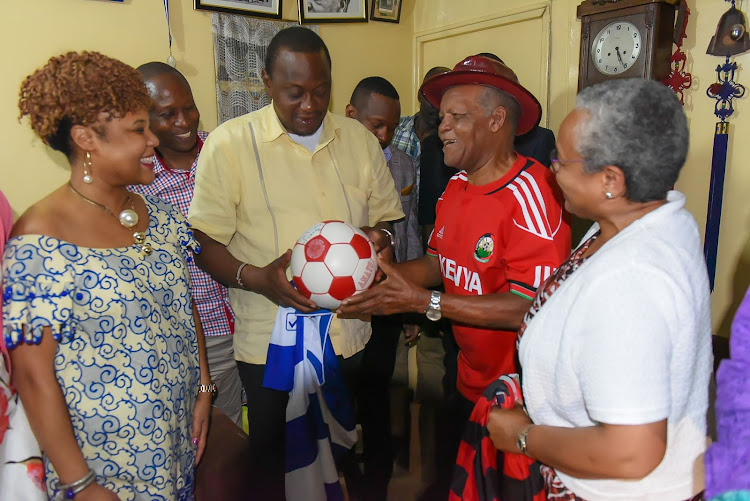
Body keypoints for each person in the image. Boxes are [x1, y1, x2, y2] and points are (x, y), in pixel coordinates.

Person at [339, 54, 571, 499]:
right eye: (442, 116)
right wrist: (373, 275)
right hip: (463, 379)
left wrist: (422, 303)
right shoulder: (455, 187)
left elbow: (529, 308)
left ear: (498, 119)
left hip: (519, 396)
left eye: (457, 117)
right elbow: (438, 264)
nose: (441, 127)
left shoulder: (534, 193)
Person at [187, 27, 404, 499]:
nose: (309, 104)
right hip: (270, 347)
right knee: (273, 465)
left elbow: (389, 221)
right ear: (266, 81)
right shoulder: (229, 145)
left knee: (341, 450)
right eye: (294, 92)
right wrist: (257, 278)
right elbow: (202, 242)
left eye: (320, 91)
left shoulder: (359, 141)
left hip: (350, 335)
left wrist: (377, 240)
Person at [486, 78, 711, 500]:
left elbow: (631, 453)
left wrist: (524, 436)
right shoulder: (647, 217)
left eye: (562, 160)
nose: (552, 167)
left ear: (611, 179)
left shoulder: (632, 280)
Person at [7, 51, 212, 499]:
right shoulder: (39, 239)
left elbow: (184, 302)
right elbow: (33, 375)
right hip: (105, 465)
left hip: (176, 443)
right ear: (86, 139)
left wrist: (203, 388)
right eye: (138, 130)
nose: (153, 141)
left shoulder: (160, 216)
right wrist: (82, 484)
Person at [130, 62, 243, 427]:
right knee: (223, 446)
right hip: (204, 338)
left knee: (276, 438)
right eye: (167, 114)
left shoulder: (226, 149)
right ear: (143, 120)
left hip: (261, 317)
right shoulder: (137, 182)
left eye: (189, 107)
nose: (184, 121)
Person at [345, 76, 421, 500]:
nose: (384, 135)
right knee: (341, 394)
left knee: (377, 390)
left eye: (391, 126)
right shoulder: (331, 160)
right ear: (351, 114)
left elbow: (408, 232)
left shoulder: (405, 165)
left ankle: (375, 482)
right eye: (375, 125)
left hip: (388, 299)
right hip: (346, 302)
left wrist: (408, 302)